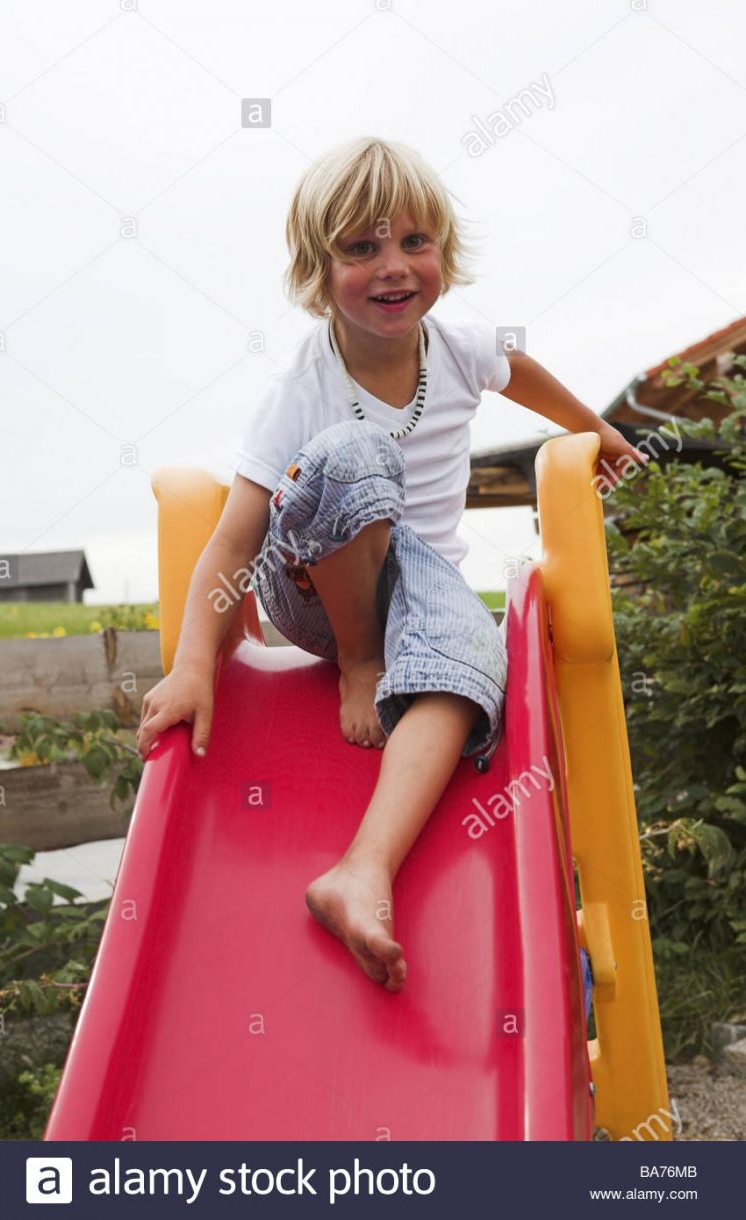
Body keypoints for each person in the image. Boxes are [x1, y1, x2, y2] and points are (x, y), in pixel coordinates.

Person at [136, 136, 648, 993]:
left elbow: (518, 371)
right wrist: (196, 664)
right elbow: (233, 538)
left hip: (420, 591)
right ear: (317, 268)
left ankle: (360, 871)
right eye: (362, 248)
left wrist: (596, 431)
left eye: (416, 242)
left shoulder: (458, 345)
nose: (394, 267)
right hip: (311, 582)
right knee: (355, 456)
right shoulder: (303, 381)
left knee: (469, 665)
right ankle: (364, 661)